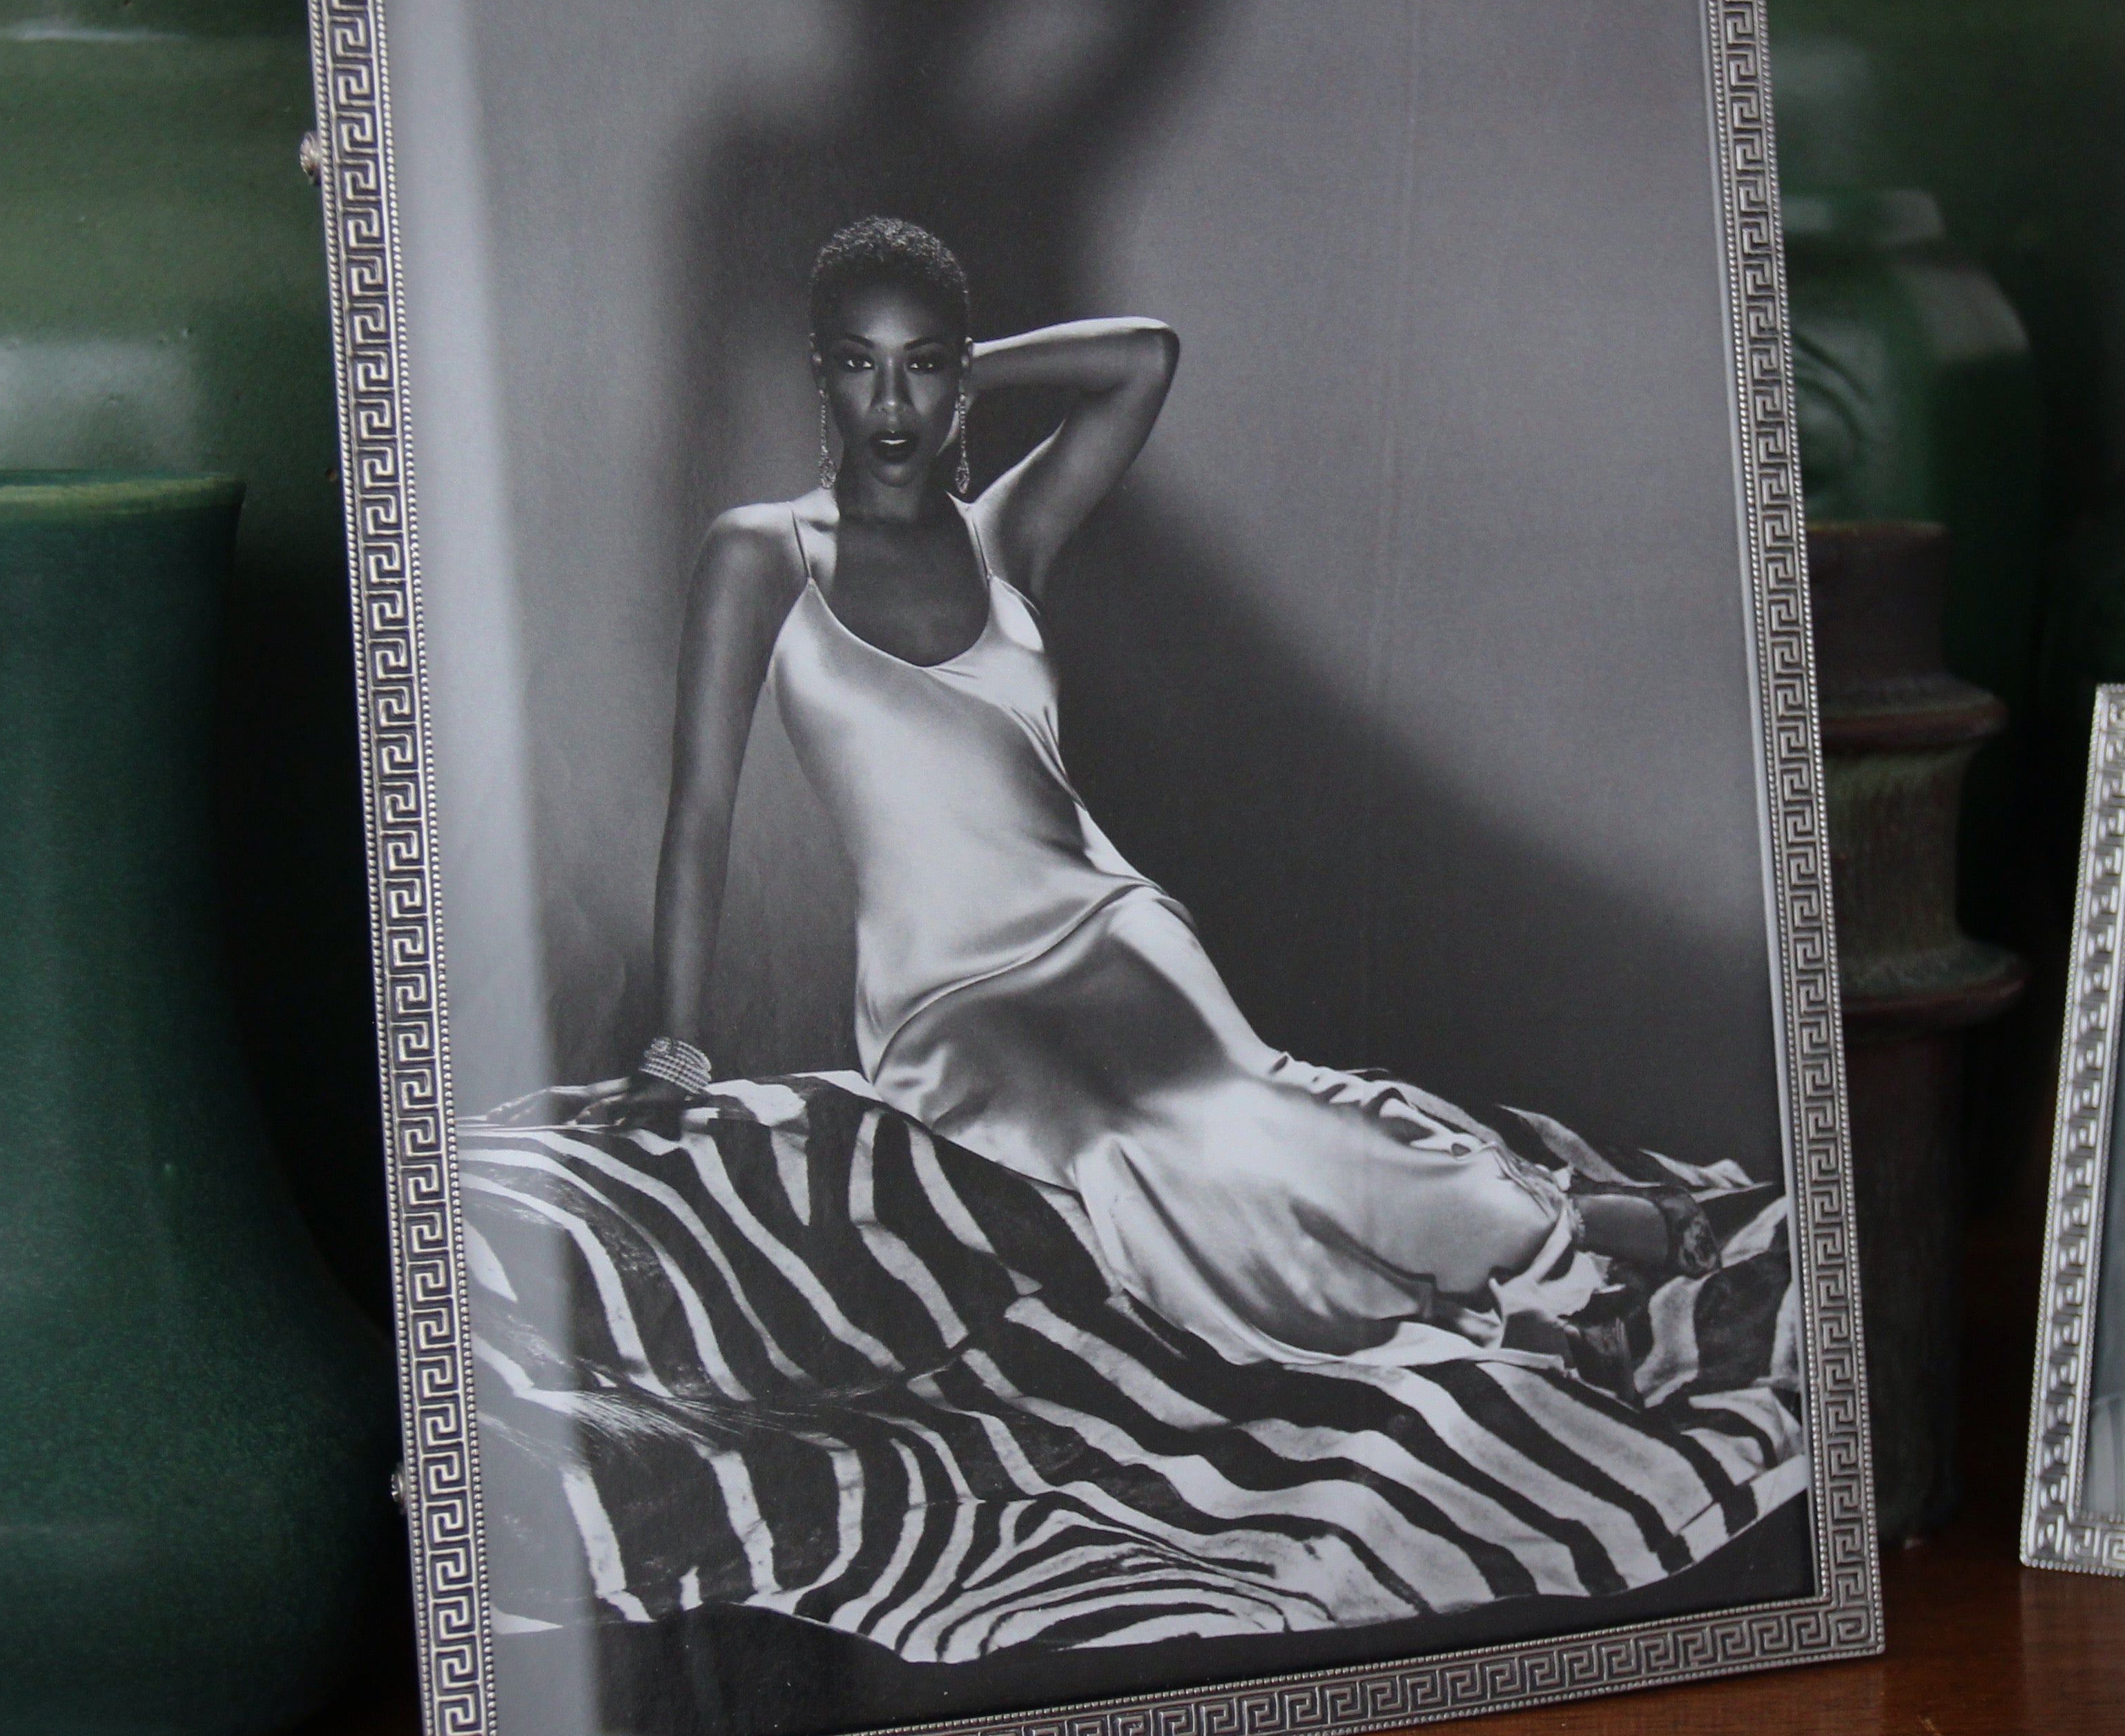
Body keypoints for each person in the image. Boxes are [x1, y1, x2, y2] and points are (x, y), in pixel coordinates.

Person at [589, 216, 1696, 1367]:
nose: (895, 403)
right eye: (862, 364)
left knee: (1246, 1109)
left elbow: (1143, 360)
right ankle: (1462, 1310)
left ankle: (1545, 1237)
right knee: (1121, 1152)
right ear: (820, 372)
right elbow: (700, 814)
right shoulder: (760, 555)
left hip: (1106, 932)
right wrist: (677, 1049)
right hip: (942, 997)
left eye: (923, 365)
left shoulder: (1005, 538)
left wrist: (972, 367)